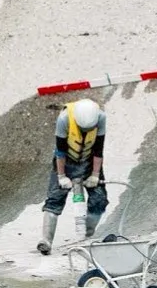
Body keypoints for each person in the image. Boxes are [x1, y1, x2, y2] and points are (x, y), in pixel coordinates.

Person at [37, 98, 108, 256]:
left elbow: (98, 149)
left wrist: (95, 174)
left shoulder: (100, 117)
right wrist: (62, 176)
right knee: (54, 198)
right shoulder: (64, 119)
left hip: (89, 160)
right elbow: (60, 151)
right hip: (66, 160)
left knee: (99, 199)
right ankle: (46, 241)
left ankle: (87, 236)